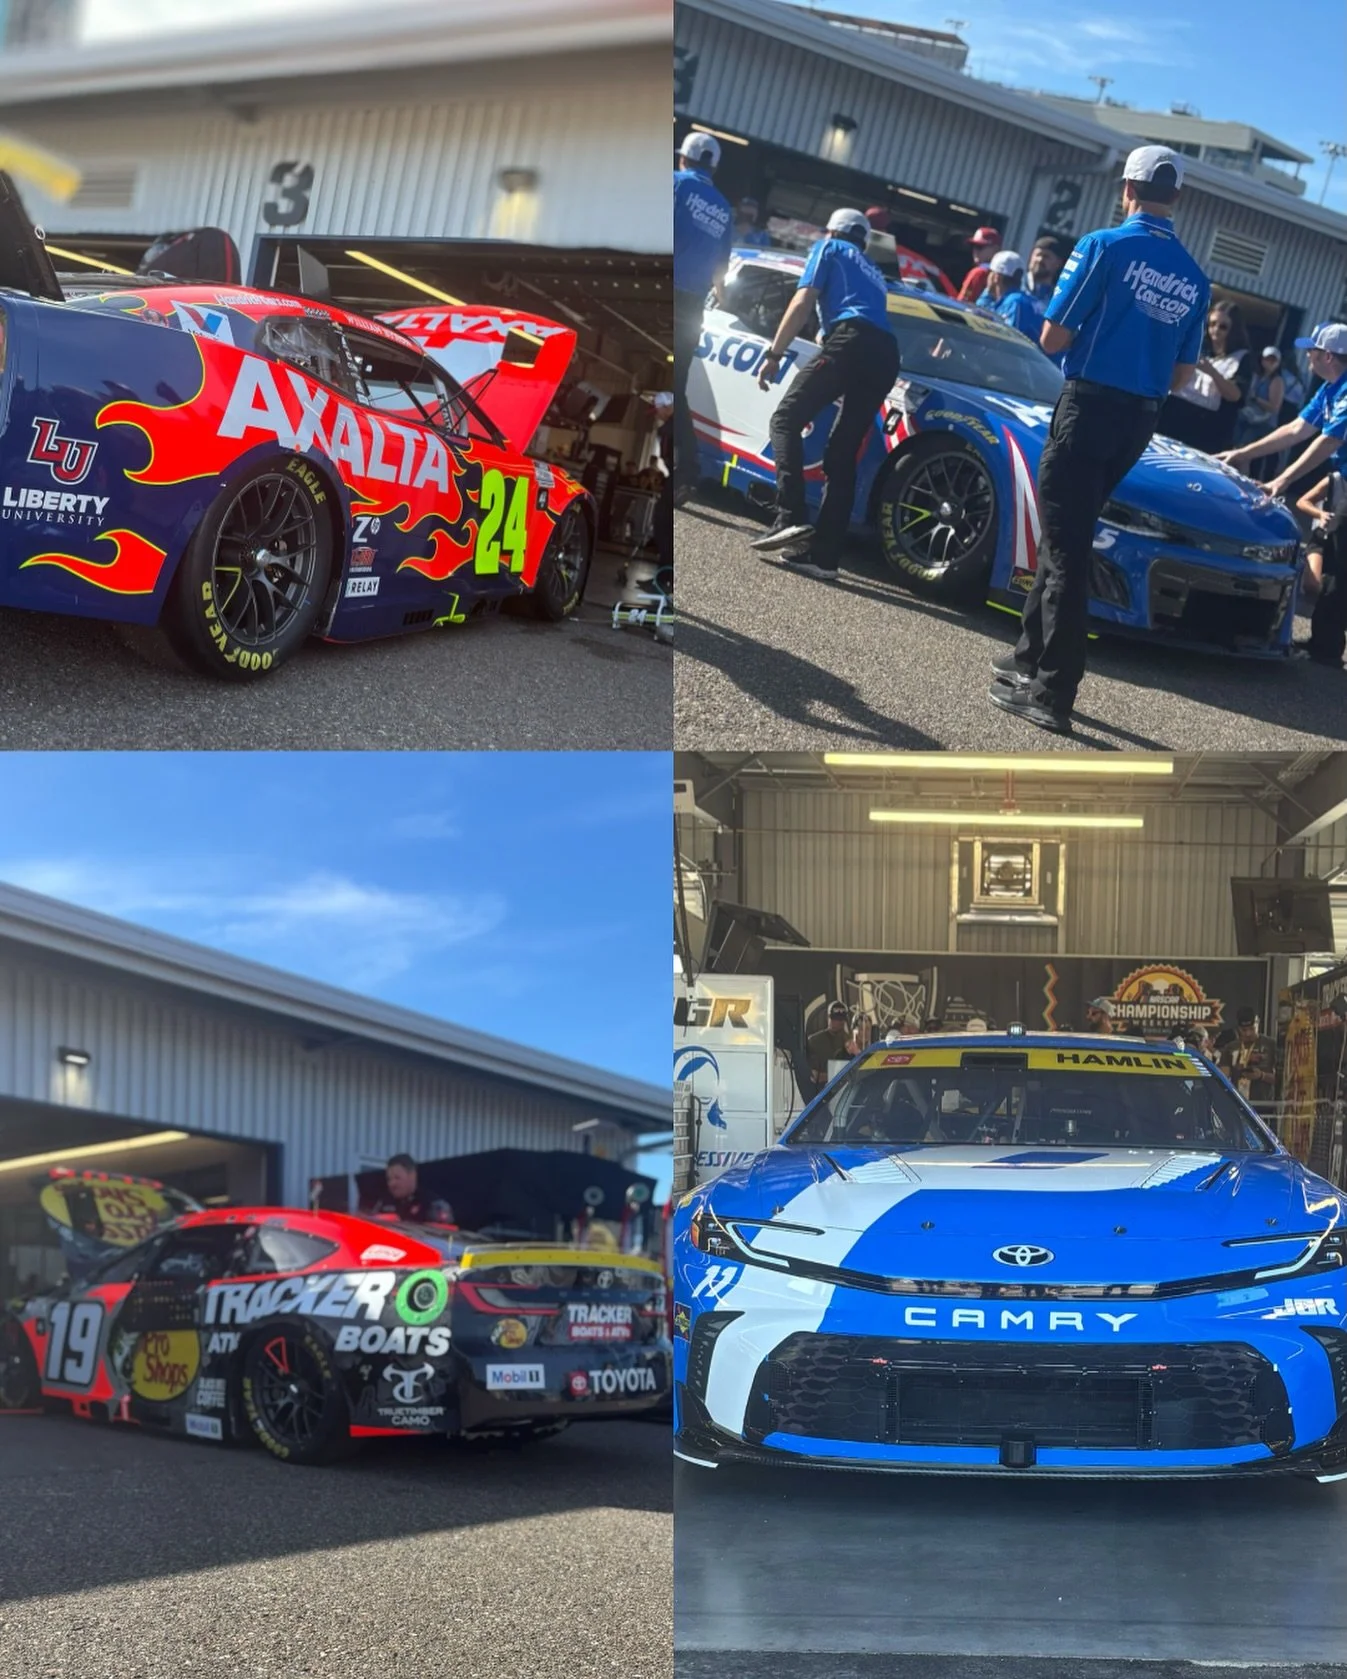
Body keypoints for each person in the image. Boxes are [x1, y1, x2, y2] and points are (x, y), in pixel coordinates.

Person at [989, 146, 1208, 735]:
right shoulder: (1195, 276)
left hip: (1088, 407)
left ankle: (1053, 693)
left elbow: (1053, 338)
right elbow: (1182, 377)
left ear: (1127, 188)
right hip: (1139, 419)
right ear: (1177, 197)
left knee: (1066, 546)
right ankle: (1029, 655)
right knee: (1069, 532)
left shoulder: (1103, 245)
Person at [748, 206, 901, 579]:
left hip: (852, 341)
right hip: (886, 354)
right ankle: (825, 558)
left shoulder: (828, 248)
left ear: (832, 231)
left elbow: (802, 302)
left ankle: (790, 516)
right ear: (863, 241)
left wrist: (774, 354)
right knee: (841, 455)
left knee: (785, 420)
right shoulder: (873, 270)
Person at [1217, 322, 1347, 502]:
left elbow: (1330, 440)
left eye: (1311, 349)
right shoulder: (1330, 389)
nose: (1307, 354)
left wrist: (1282, 480)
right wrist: (1241, 454)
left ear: (1328, 356)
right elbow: (1296, 429)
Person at [672, 132, 733, 501]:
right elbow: (721, 271)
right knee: (675, 386)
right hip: (693, 306)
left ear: (684, 158)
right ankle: (686, 473)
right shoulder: (724, 208)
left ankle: (681, 471)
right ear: (714, 168)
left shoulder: (675, 184)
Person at [1159, 300, 1250, 453]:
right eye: (1212, 324)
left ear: (1234, 329)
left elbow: (1236, 396)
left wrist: (1211, 371)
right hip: (1174, 416)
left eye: (1223, 326)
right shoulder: (1199, 345)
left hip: (1207, 430)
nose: (1216, 330)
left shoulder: (1241, 358)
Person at [1296, 465, 1347, 606]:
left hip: (1343, 543)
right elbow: (1302, 502)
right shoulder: (1335, 479)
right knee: (1312, 586)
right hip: (1322, 538)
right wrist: (1320, 514)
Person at [1235, 346, 1286, 468]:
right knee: (1236, 446)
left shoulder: (1277, 380)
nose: (1270, 363)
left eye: (1273, 360)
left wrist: (1256, 399)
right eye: (1267, 359)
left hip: (1263, 424)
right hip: (1247, 417)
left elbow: (1274, 407)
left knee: (1245, 454)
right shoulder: (1256, 376)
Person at [1222, 1008, 1277, 1113]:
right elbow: (1223, 1076)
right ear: (1238, 1028)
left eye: (1252, 1029)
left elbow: (1282, 1080)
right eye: (1244, 1030)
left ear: (1258, 1023)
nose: (1248, 1033)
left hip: (1264, 1107)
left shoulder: (1271, 1045)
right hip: (1238, 1105)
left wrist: (1262, 1076)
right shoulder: (1230, 1047)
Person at [371, 1154, 453, 1225]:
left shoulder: (433, 1205)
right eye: (389, 1179)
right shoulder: (383, 1203)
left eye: (397, 1178)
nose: (392, 1184)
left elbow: (444, 1235)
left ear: (412, 1175)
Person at [982, 251, 1043, 342]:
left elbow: (1008, 340)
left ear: (996, 277)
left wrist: (987, 290)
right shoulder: (1018, 299)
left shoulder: (1015, 302)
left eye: (991, 272)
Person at [806, 1002, 853, 1086]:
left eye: (842, 1019)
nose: (839, 1022)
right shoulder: (814, 1041)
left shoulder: (850, 1042)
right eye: (836, 1019)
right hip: (822, 1090)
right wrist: (836, 1076)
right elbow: (812, 1075)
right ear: (828, 1017)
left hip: (846, 1089)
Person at [956, 226, 1002, 303]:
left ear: (995, 249)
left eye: (980, 247)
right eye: (973, 246)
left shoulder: (978, 273)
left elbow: (961, 303)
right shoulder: (1003, 277)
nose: (975, 250)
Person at [1027, 237, 1064, 306]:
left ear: (1058, 263)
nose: (1040, 260)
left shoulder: (1056, 298)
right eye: (1038, 255)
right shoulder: (1016, 285)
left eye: (1046, 256)